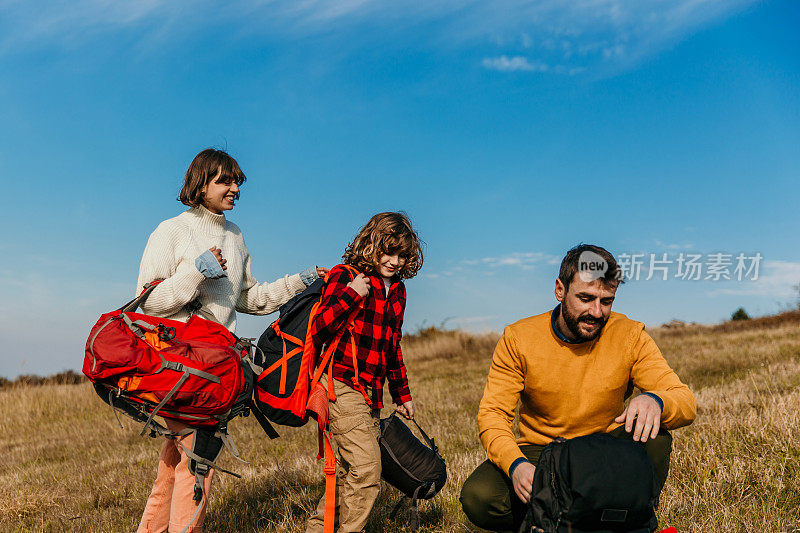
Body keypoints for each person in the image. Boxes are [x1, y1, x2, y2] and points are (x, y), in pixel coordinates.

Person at [136, 148, 326, 533]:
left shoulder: (235, 237)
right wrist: (195, 272)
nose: (235, 187)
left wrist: (300, 281)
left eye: (237, 180)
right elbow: (147, 301)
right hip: (179, 363)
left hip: (217, 366)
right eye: (225, 180)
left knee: (176, 466)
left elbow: (247, 298)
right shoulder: (171, 231)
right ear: (200, 183)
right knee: (197, 464)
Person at [460, 244, 697, 532]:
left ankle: (630, 517)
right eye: (585, 298)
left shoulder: (630, 334)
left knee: (654, 433)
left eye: (606, 301)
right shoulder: (518, 338)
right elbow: (492, 415)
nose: (596, 312)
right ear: (560, 290)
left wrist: (656, 401)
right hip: (542, 451)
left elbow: (684, 401)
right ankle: (556, 520)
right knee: (479, 497)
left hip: (604, 449)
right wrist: (516, 465)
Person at [305, 212, 423, 533]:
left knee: (347, 475)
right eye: (388, 251)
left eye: (401, 255)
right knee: (367, 470)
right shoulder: (346, 276)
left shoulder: (397, 291)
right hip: (339, 385)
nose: (395, 261)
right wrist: (352, 294)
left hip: (371, 393)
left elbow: (392, 346)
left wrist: (402, 394)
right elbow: (319, 327)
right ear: (372, 245)